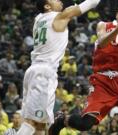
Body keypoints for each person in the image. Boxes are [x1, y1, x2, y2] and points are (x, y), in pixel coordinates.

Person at [50, 0, 118, 135]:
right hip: (102, 82)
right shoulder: (103, 25)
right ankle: (62, 120)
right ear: (117, 11)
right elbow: (103, 42)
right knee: (84, 124)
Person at [17, 0, 101, 135]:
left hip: (33, 71)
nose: (60, 1)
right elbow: (91, 3)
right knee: (32, 123)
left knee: (39, 125)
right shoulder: (60, 16)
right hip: (44, 73)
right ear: (47, 6)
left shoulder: (38, 19)